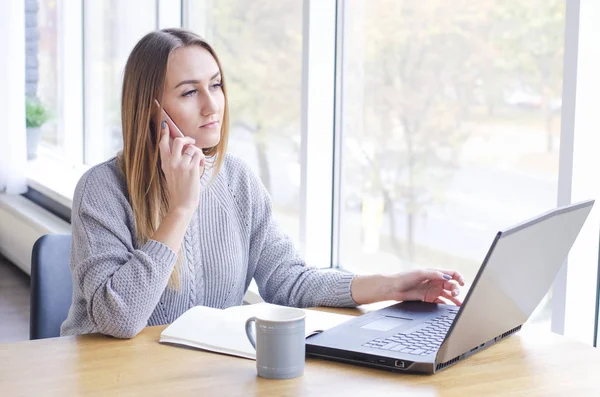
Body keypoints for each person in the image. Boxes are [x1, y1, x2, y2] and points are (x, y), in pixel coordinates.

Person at [60, 28, 464, 339]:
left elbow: (288, 281)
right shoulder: (102, 189)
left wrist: (391, 285)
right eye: (189, 92)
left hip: (199, 377)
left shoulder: (235, 180)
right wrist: (181, 209)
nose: (212, 104)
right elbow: (119, 319)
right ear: (149, 110)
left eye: (216, 85)